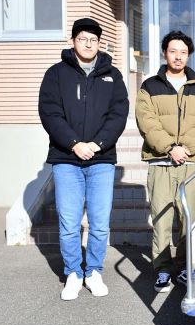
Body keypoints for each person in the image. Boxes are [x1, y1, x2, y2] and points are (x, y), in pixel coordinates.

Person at [38, 17, 129, 300]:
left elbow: (118, 114)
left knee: (100, 222)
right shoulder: (56, 74)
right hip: (67, 159)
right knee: (69, 222)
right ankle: (73, 273)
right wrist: (75, 144)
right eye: (82, 39)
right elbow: (50, 113)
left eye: (93, 40)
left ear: (99, 43)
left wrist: (98, 144)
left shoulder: (112, 75)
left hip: (102, 159)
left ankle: (94, 272)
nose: (88, 44)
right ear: (73, 41)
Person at [135, 30, 195, 293]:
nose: (178, 56)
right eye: (173, 51)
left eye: (183, 52)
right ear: (164, 53)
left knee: (188, 219)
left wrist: (185, 148)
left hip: (189, 163)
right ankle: (162, 270)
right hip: (161, 163)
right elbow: (147, 122)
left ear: (188, 55)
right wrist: (170, 148)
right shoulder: (150, 86)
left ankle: (184, 267)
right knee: (161, 218)